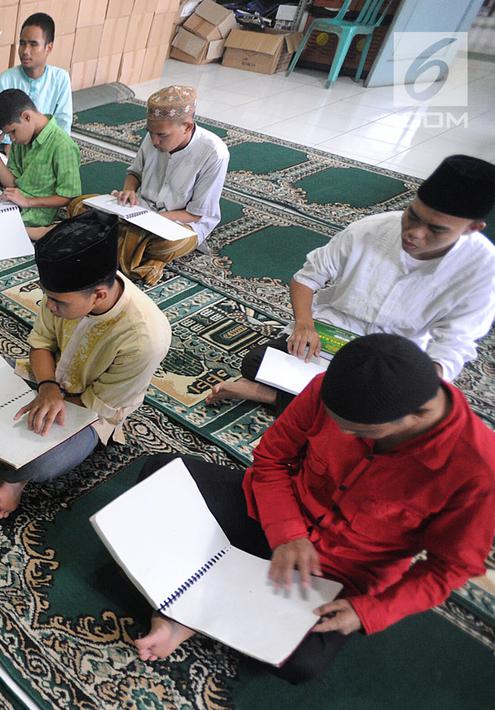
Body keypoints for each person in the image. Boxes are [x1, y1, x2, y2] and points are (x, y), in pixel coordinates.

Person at [134, 334, 495, 684]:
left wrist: (367, 612)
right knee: (161, 474)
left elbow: (449, 568)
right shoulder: (328, 388)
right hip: (274, 513)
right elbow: (272, 460)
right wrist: (287, 533)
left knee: (300, 663)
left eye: (357, 433)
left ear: (414, 415)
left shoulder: (478, 470)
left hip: (339, 573)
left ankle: (194, 606)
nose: (343, 434)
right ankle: (205, 603)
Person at [207, 154, 495, 413]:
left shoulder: (482, 268)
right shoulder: (372, 229)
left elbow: (455, 343)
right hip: (330, 334)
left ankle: (270, 395)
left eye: (435, 229)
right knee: (257, 363)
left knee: (402, 410)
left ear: (471, 229)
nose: (414, 234)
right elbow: (306, 278)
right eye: (413, 216)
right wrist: (304, 324)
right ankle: (323, 404)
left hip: (392, 355)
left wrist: (420, 387)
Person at [0, 213, 170, 518]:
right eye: (48, 297)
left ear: (98, 295)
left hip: (88, 413)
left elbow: (97, 405)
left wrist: (51, 401)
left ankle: (7, 469)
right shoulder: (63, 295)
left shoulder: (145, 337)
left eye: (58, 303)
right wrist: (46, 388)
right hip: (40, 379)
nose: (49, 307)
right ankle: (6, 466)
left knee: (41, 463)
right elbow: (41, 344)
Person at [99, 85, 228, 285]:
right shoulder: (153, 136)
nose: (154, 140)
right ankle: (146, 258)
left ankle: (139, 251)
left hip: (184, 223)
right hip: (141, 210)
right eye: (150, 132)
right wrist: (129, 191)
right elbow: (134, 173)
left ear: (187, 126)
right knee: (83, 207)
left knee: (165, 244)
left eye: (162, 135)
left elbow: (195, 213)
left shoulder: (213, 152)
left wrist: (150, 219)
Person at [0, 12, 73, 187]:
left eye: (33, 44)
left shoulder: (60, 79)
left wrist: (47, 150)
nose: (25, 51)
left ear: (49, 47)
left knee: (63, 167)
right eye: (22, 43)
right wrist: (8, 141)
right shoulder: (6, 79)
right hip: (10, 147)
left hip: (45, 150)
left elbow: (64, 123)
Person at [0, 88, 81, 240]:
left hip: (36, 214)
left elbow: (69, 196)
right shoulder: (22, 140)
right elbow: (12, 183)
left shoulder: (62, 145)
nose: (12, 139)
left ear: (27, 116)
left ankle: (43, 232)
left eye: (13, 131)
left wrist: (28, 201)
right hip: (16, 204)